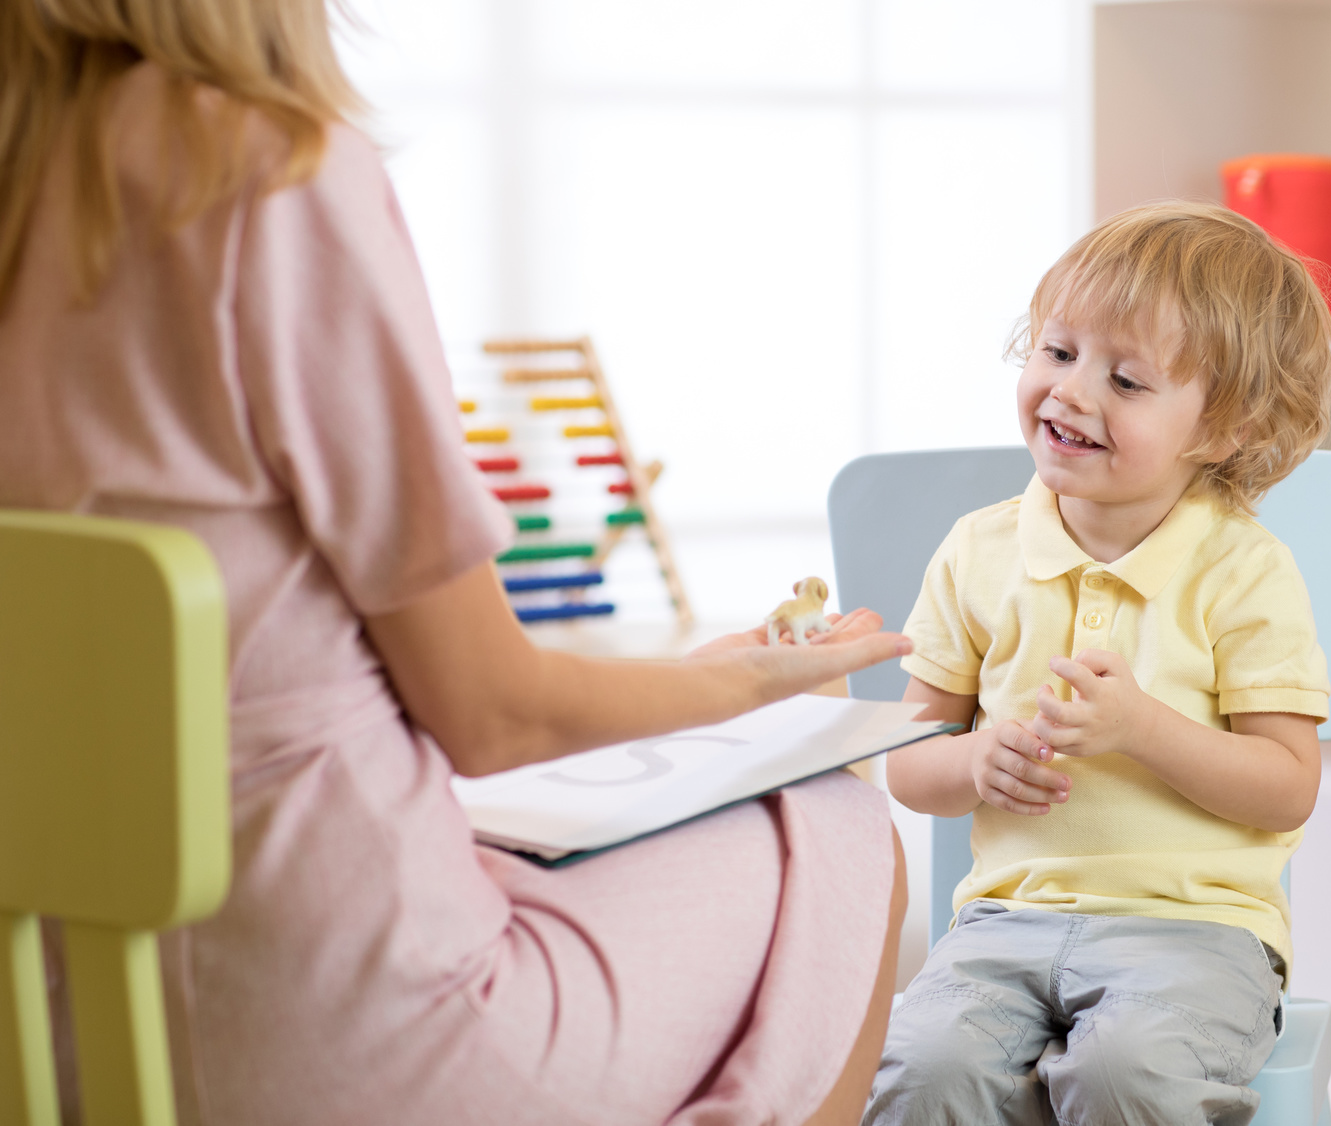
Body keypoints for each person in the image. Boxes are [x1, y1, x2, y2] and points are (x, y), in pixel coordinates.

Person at [0, 3, 912, 1123]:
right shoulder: (263, 168)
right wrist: (744, 684)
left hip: (62, 1007)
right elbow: (491, 718)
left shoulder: (21, 160)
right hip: (333, 1023)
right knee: (838, 829)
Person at [863, 202, 1331, 1126]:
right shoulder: (978, 550)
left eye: (1125, 379)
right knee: (923, 1066)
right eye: (1057, 352)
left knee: (1129, 1070)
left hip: (1197, 931)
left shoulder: (1244, 568)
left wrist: (1143, 730)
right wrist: (972, 760)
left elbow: (1287, 788)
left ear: (1226, 429)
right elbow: (909, 761)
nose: (1070, 393)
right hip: (1002, 925)